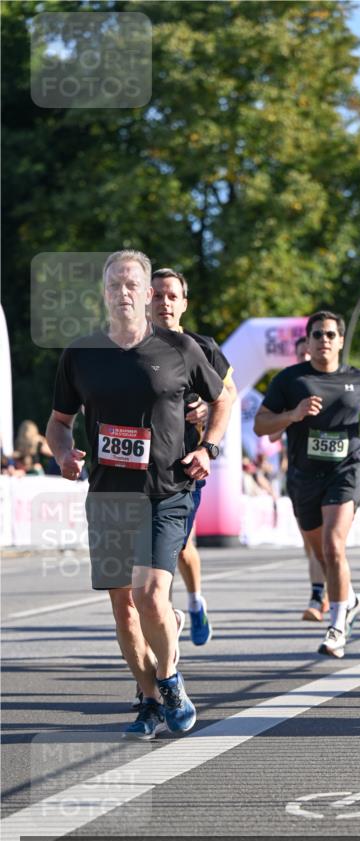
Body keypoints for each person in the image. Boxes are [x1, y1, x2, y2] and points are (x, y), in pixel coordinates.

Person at [46, 250, 227, 740]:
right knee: (123, 608)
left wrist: (208, 446)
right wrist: (64, 454)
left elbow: (222, 398)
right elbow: (59, 423)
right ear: (103, 294)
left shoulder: (181, 349)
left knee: (151, 594)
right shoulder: (81, 354)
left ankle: (170, 681)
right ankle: (147, 698)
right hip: (108, 497)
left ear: (147, 295)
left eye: (132, 285)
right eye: (114, 285)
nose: (123, 293)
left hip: (166, 491)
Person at [254, 310, 360, 658]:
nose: (324, 340)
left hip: (345, 472)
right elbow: (260, 425)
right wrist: (292, 415)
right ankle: (352, 599)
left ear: (341, 341)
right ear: (309, 340)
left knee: (333, 546)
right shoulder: (290, 379)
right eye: (317, 334)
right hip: (303, 477)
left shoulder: (359, 379)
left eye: (331, 335)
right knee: (320, 553)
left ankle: (337, 627)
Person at [151, 268, 236, 647]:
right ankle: (163, 618)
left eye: (172, 295)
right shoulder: (126, 348)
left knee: (180, 547)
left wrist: (205, 409)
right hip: (138, 468)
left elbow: (228, 394)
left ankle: (194, 602)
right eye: (157, 295)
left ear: (184, 303)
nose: (164, 302)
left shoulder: (202, 347)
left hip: (185, 463)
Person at [268, 336, 330, 621]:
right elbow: (271, 434)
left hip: (334, 475)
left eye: (308, 353)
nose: (306, 358)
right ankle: (324, 589)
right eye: (301, 354)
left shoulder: (333, 381)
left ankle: (320, 596)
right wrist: (293, 414)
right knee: (311, 541)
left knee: (330, 539)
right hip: (301, 473)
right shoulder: (289, 388)